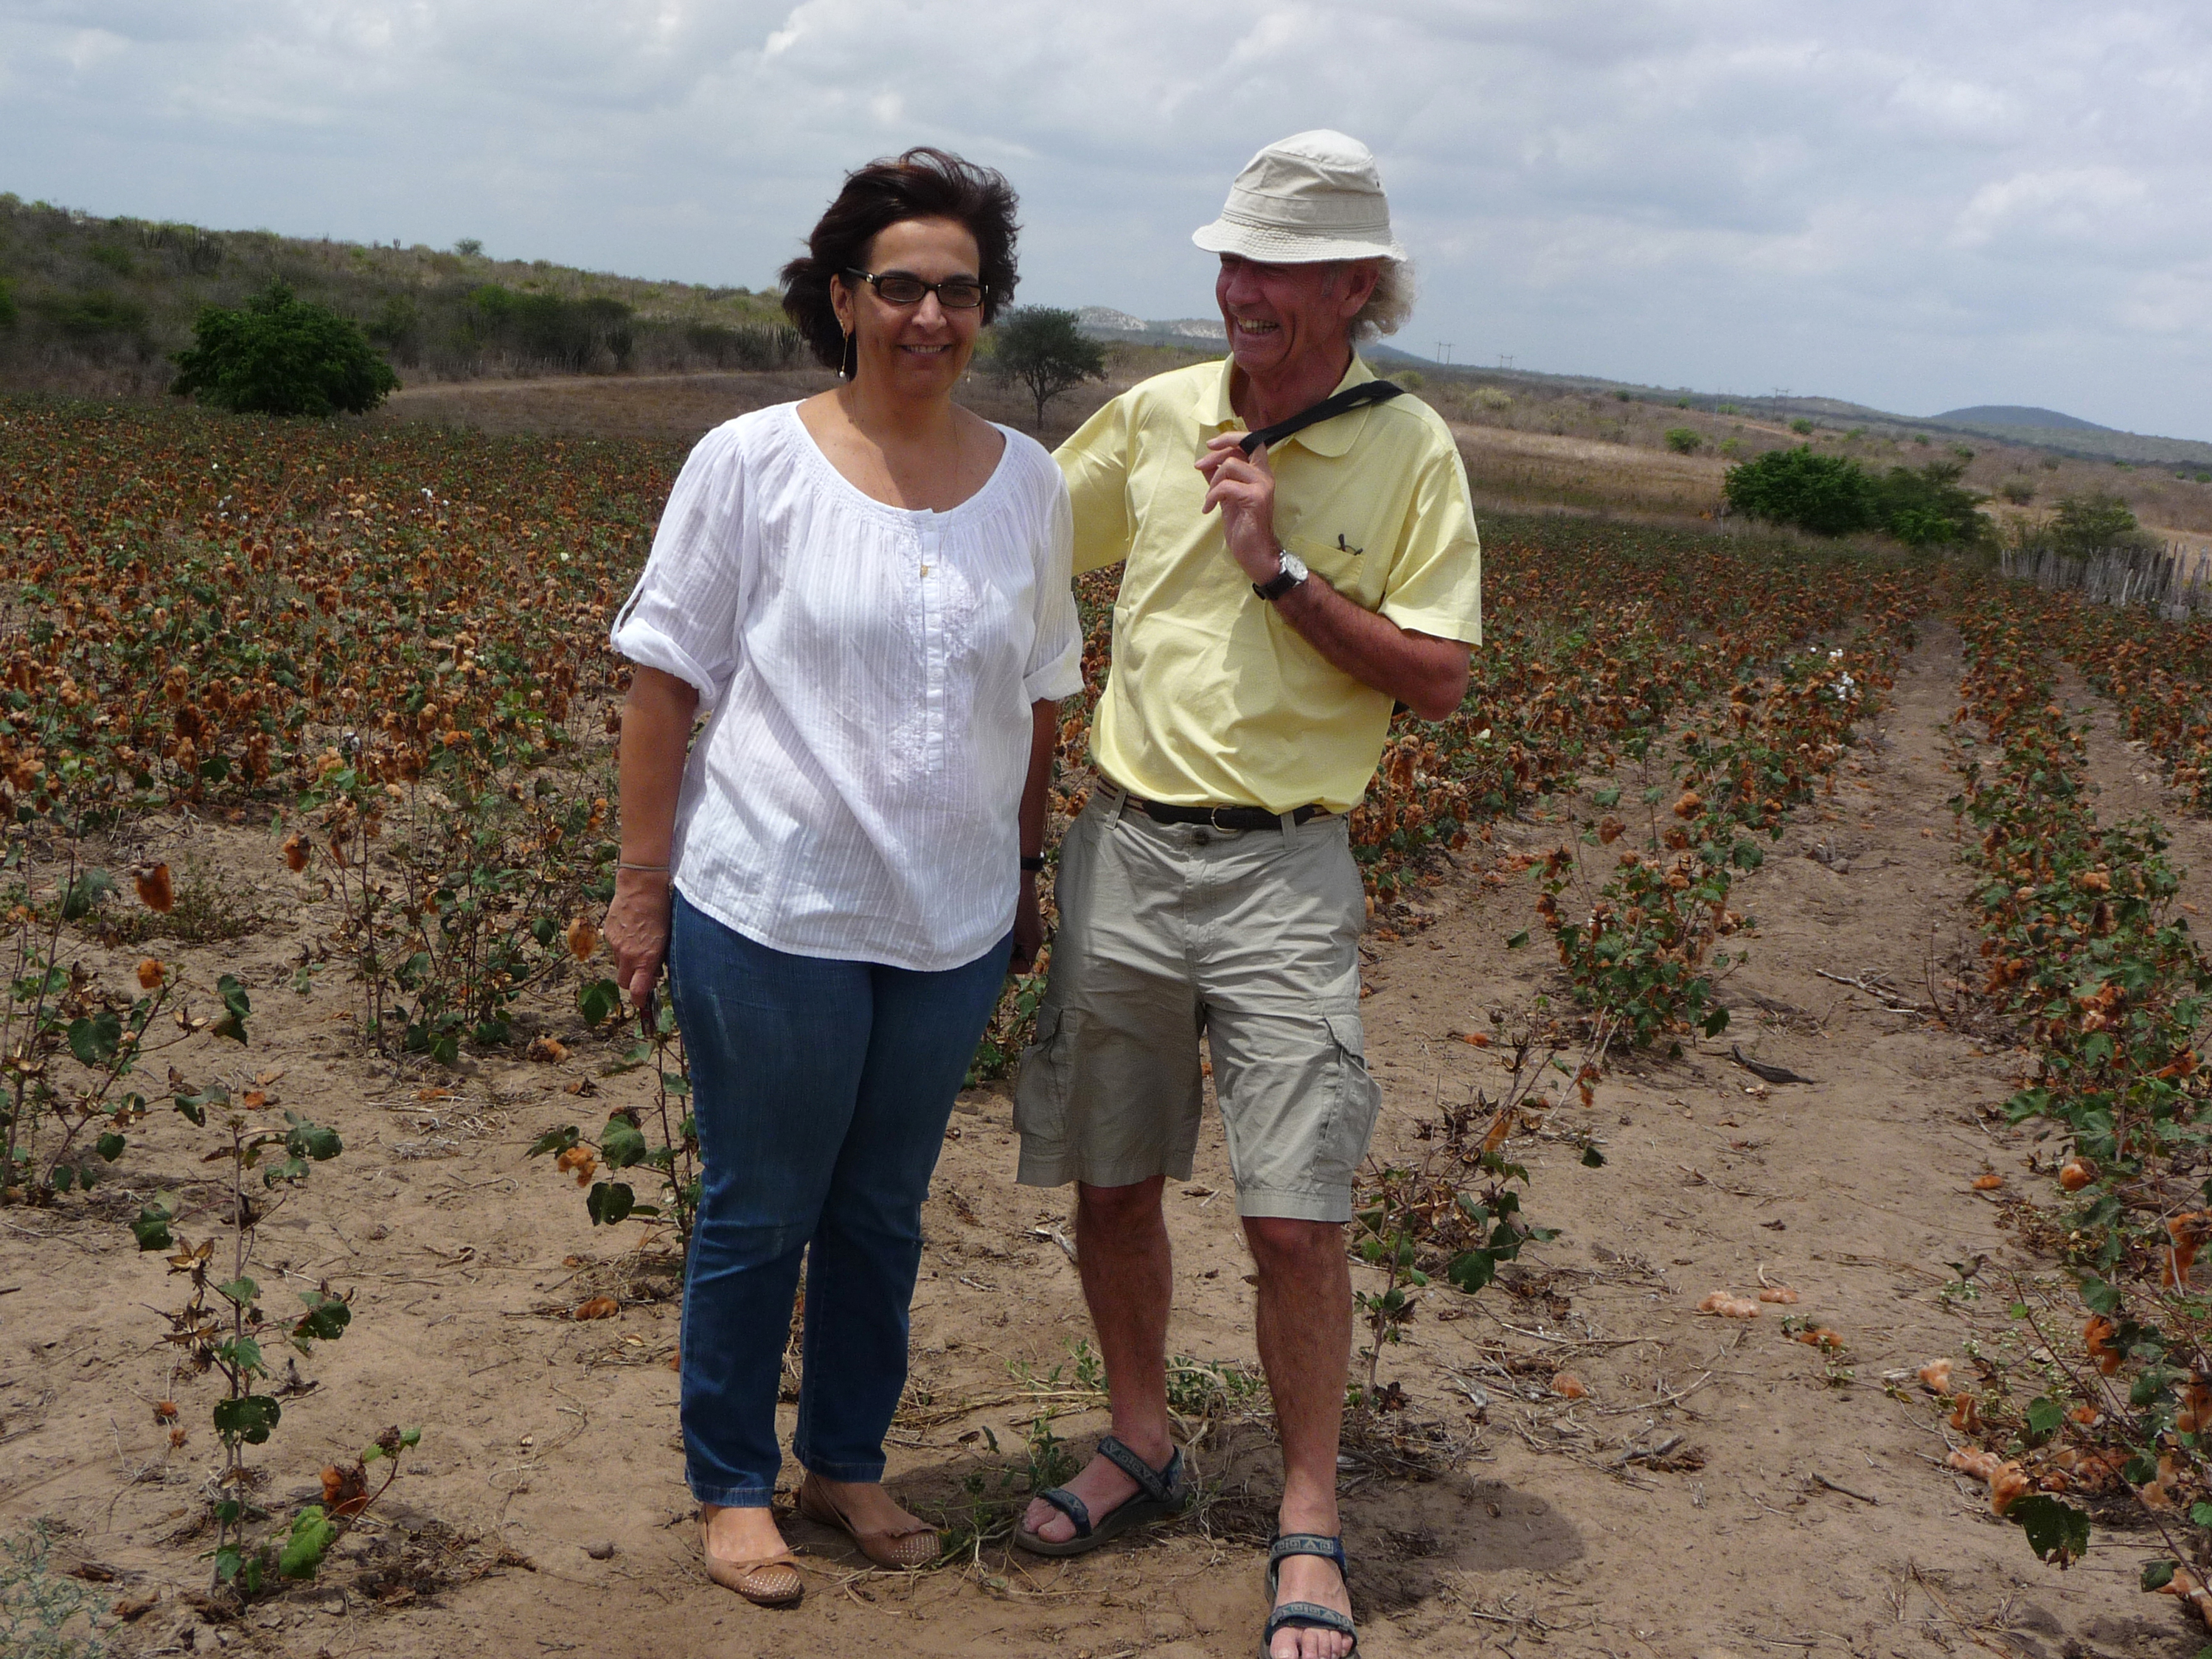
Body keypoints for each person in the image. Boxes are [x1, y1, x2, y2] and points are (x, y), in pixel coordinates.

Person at [1010, 131, 1481, 1659]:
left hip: (1286, 869)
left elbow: (1443, 678)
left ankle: (1307, 1517)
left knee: (1296, 1217)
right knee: (1112, 1174)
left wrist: (1280, 572)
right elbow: (1011, 542)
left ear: (1358, 285)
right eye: (1233, 262)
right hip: (1126, 849)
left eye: (1277, 267)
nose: (1242, 292)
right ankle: (1141, 1437)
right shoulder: (1154, 417)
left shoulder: (1410, 450)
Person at [605, 147, 1081, 1610]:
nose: (929, 315)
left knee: (883, 1207)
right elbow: (662, 686)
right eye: (900, 287)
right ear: (842, 297)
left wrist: (1019, 868)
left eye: (959, 290)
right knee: (763, 1205)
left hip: (948, 924)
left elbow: (1044, 693)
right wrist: (640, 891)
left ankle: (847, 1461)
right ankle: (734, 1485)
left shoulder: (1031, 484)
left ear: (984, 310)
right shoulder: (750, 463)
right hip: (771, 907)